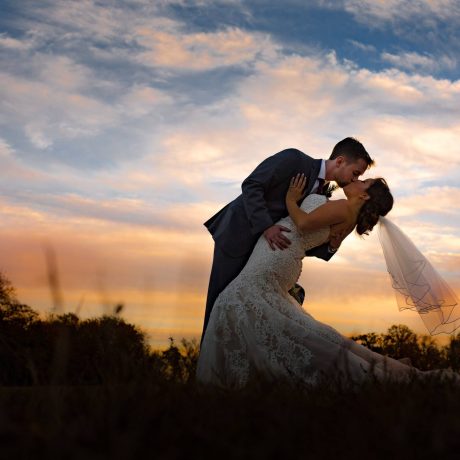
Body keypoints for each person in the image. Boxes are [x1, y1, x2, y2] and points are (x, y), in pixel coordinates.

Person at [196, 175, 441, 388]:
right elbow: (327, 243)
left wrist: (291, 199)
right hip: (283, 258)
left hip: (278, 257)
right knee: (255, 309)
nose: (357, 181)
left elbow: (302, 223)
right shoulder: (349, 218)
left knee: (235, 301)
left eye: (364, 182)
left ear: (366, 197)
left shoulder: (344, 208)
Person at [201, 137, 374, 344]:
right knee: (218, 308)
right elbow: (251, 185)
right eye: (355, 173)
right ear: (339, 161)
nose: (355, 180)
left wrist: (331, 246)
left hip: (264, 255)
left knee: (245, 317)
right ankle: (206, 371)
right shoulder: (294, 159)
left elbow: (301, 237)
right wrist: (266, 226)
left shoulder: (321, 193)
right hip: (238, 236)